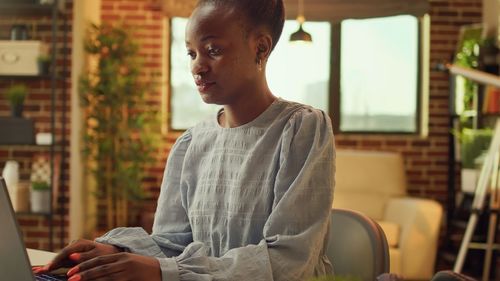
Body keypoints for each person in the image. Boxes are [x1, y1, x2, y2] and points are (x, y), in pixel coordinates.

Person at [35, 0, 335, 280]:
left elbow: (288, 262)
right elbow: (171, 243)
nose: (197, 66)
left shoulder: (301, 129)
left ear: (260, 48)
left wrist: (161, 272)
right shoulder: (191, 142)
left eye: (213, 50)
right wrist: (113, 252)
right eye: (192, 53)